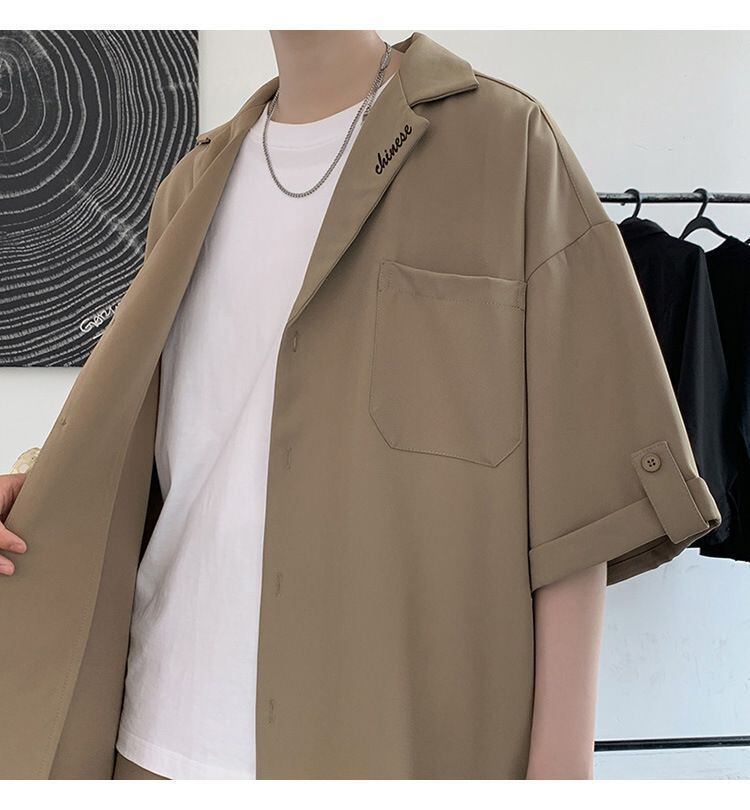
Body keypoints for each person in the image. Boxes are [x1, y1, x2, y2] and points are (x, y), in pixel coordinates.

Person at [0, 31, 720, 780]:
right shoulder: (189, 187)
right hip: (153, 742)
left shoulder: (507, 147)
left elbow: (578, 493)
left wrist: (562, 773)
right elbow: (191, 443)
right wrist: (39, 493)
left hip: (391, 746)